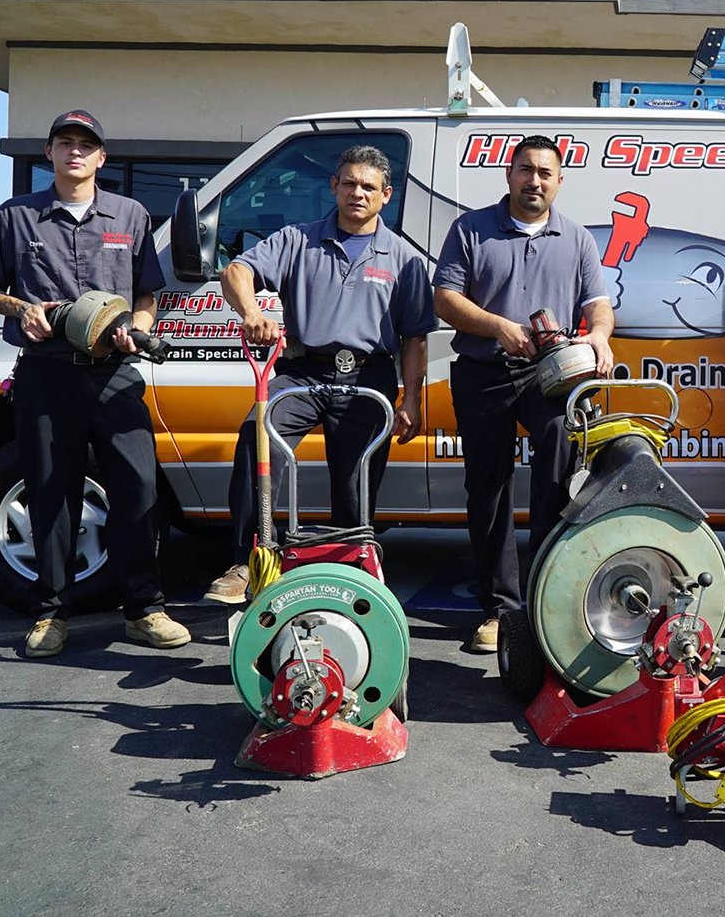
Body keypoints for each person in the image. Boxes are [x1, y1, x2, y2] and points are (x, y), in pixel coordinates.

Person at [0, 109, 191, 658]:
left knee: (138, 489)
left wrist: (137, 331)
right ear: (48, 153)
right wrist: (21, 309)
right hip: (46, 375)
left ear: (101, 158)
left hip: (114, 375)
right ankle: (50, 613)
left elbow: (147, 294)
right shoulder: (16, 216)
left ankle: (144, 609)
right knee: (52, 493)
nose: (75, 152)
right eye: (65, 143)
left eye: (85, 145)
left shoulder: (131, 214)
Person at [209, 145, 431, 604]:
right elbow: (236, 270)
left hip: (368, 380)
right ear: (334, 186)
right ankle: (249, 560)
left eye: (368, 187)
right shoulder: (296, 239)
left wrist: (412, 399)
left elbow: (415, 337)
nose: (357, 193)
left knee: (355, 488)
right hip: (303, 373)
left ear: (386, 195)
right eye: (349, 183)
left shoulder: (404, 259)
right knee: (258, 434)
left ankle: (348, 576)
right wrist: (251, 310)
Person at [432, 135, 614, 653]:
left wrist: (598, 335)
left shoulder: (576, 238)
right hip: (484, 371)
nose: (535, 181)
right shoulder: (470, 229)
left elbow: (599, 305)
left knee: (559, 462)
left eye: (545, 173)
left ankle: (546, 594)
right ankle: (499, 609)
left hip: (549, 375)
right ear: (509, 176)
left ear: (559, 182)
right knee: (487, 489)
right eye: (526, 170)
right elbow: (445, 299)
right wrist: (498, 327)